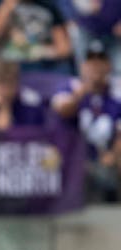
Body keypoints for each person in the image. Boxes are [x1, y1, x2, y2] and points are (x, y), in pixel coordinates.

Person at [52, 42, 121, 200]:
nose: (96, 66)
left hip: (106, 158)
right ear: (83, 65)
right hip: (74, 155)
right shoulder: (69, 87)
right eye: (91, 61)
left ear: (108, 65)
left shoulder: (117, 92)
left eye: (100, 61)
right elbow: (63, 110)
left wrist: (114, 154)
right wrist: (84, 90)